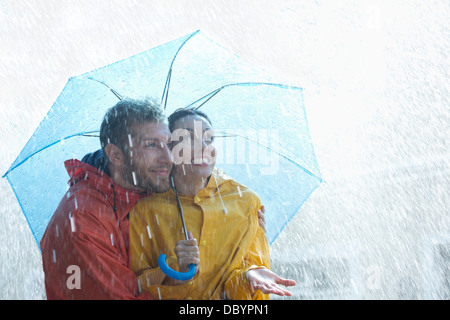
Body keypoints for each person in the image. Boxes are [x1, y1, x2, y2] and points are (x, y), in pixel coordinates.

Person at [129, 108, 296, 300]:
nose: (203, 147)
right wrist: (175, 270)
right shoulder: (145, 209)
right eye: (188, 138)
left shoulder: (245, 202)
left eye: (209, 138)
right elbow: (135, 285)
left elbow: (245, 293)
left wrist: (248, 277)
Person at [40, 98, 173, 299]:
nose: (168, 158)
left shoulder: (139, 191)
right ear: (115, 155)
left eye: (169, 144)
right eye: (151, 145)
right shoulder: (81, 221)